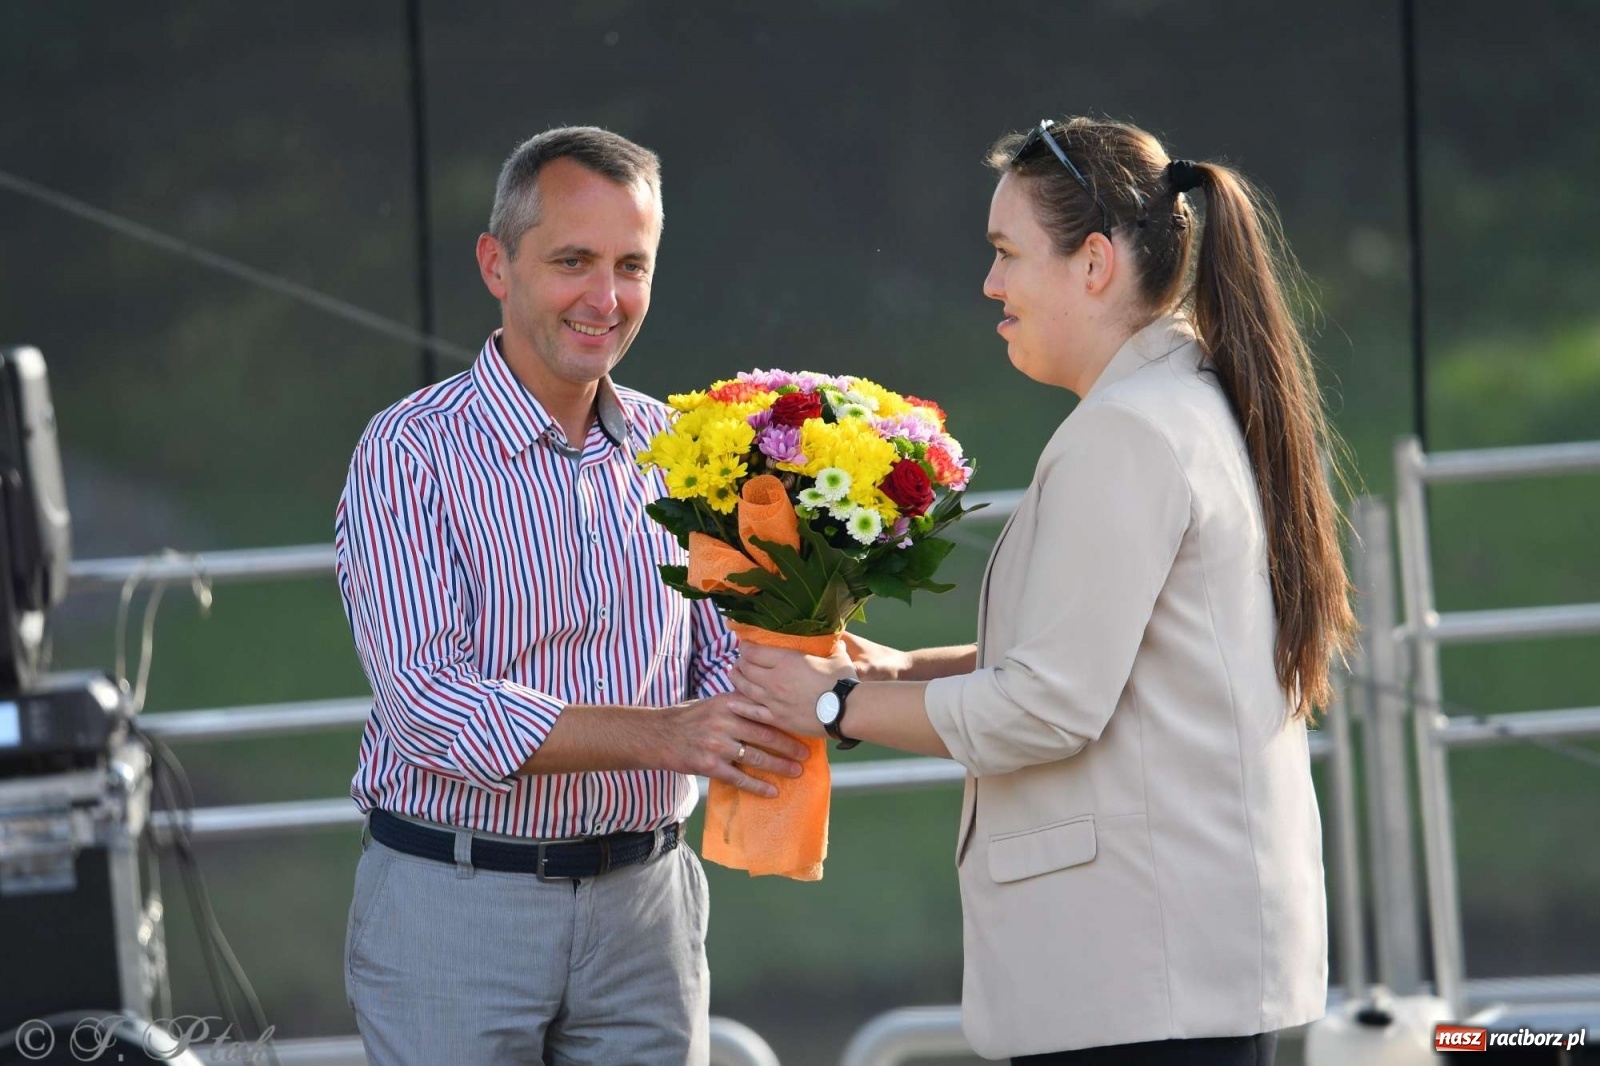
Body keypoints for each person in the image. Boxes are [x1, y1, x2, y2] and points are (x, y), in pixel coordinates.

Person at [732, 116, 1356, 1065]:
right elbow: (1102, 658)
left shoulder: (1129, 431)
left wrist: (833, 704)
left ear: (1094, 263)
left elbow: (1050, 704)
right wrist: (898, 671)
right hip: (1174, 978)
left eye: (1007, 252)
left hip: (1144, 990)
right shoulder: (1186, 398)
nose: (991, 283)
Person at [334, 126, 806, 1066]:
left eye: (632, 266)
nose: (606, 298)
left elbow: (724, 660)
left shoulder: (684, 450)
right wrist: (665, 736)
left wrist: (824, 661)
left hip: (648, 911)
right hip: (456, 910)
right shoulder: (408, 451)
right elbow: (430, 705)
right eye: (573, 262)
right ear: (496, 264)